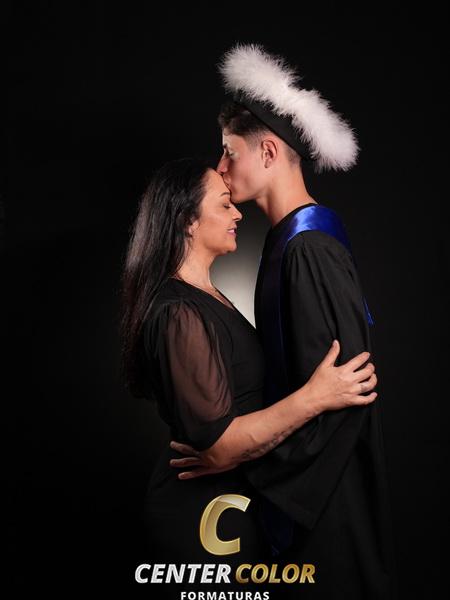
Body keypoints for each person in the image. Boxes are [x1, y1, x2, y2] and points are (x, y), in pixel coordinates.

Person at [170, 45, 397, 599]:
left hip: (327, 503)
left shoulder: (308, 249)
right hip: (310, 490)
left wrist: (244, 464)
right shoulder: (286, 243)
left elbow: (345, 396)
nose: (221, 168)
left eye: (230, 152)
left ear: (268, 151)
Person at [120, 157, 377, 595]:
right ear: (186, 221)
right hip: (204, 521)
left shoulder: (206, 297)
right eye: (224, 205)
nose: (237, 213)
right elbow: (219, 446)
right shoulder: (179, 313)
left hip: (232, 509)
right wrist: (316, 396)